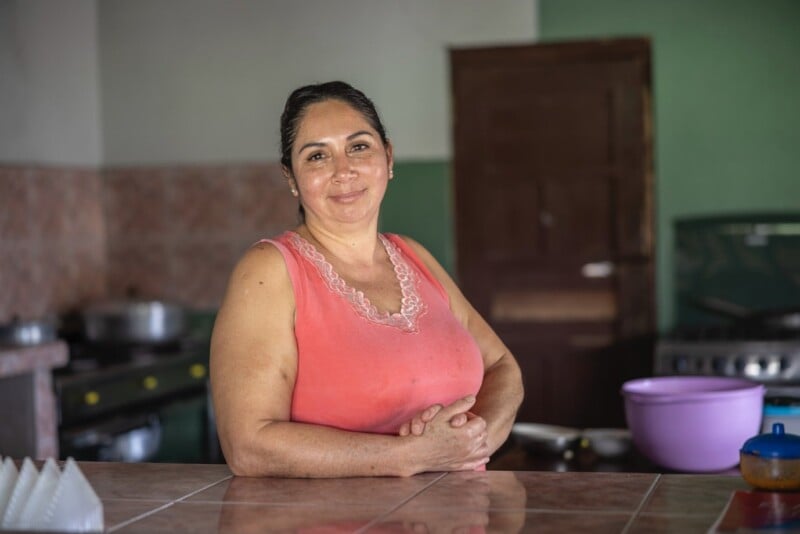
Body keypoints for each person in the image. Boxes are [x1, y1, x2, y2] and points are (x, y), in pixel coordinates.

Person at [210, 81, 523, 478]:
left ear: (388, 157)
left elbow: (502, 366)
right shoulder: (269, 271)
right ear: (291, 178)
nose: (344, 171)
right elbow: (248, 446)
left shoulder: (414, 255)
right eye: (318, 156)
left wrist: (475, 442)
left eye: (358, 147)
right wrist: (414, 456)